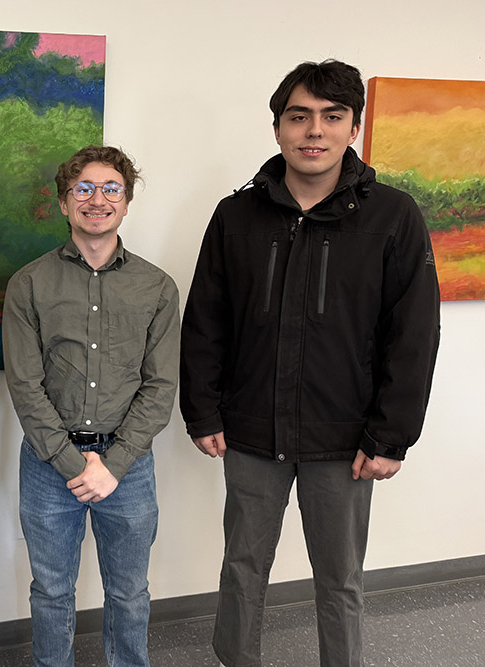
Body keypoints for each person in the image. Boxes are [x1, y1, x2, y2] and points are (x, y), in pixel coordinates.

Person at [180, 60, 440, 667]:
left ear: (354, 127)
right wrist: (203, 411)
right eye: (299, 117)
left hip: (346, 439)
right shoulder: (235, 217)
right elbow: (206, 321)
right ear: (278, 129)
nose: (314, 131)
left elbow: (414, 336)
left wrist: (391, 437)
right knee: (242, 568)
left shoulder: (393, 217)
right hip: (249, 432)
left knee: (340, 579)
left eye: (331, 117)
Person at [3, 145, 180, 667]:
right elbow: (25, 386)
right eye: (83, 189)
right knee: (52, 592)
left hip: (129, 468)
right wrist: (74, 464)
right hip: (47, 466)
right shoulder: (29, 285)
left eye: (110, 190)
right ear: (64, 203)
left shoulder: (157, 288)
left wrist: (114, 465)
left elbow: (160, 386)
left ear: (126, 204)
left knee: (128, 593)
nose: (96, 200)